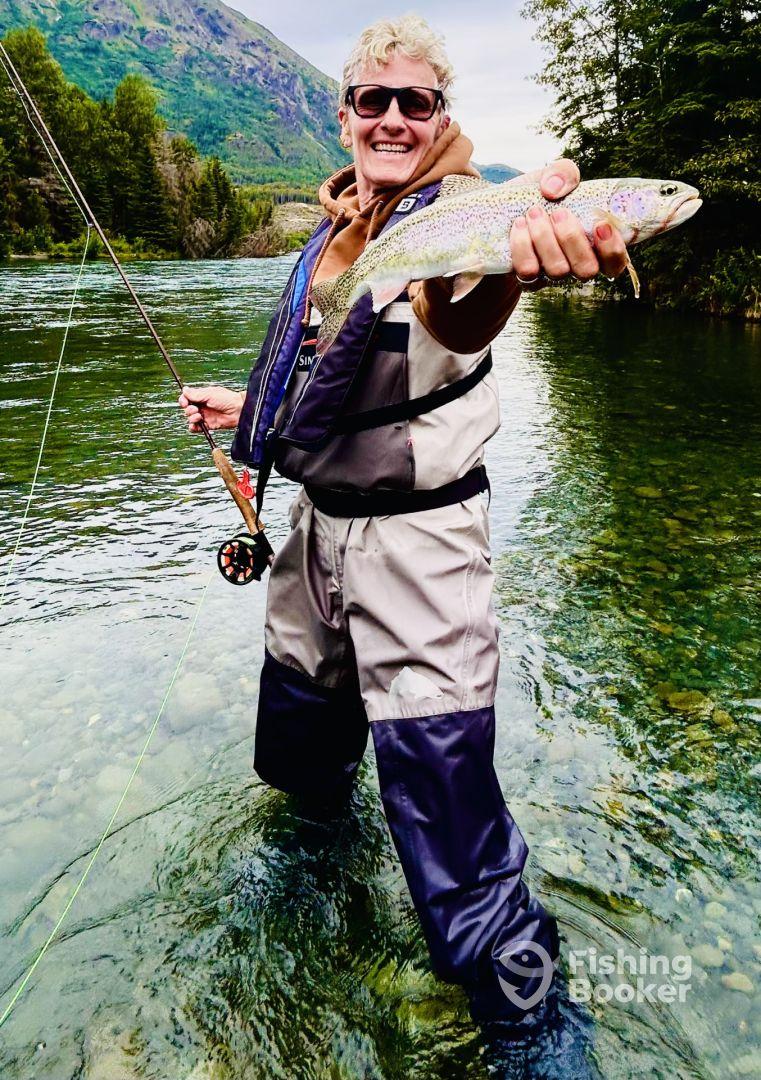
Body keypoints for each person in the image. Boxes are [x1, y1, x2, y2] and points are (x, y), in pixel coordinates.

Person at [179, 13, 626, 1060]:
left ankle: (527, 1016)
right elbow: (313, 372)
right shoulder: (334, 227)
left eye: (411, 102)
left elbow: (459, 314)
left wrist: (518, 268)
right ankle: (310, 854)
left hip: (418, 547)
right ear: (344, 115)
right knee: (297, 731)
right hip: (313, 532)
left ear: (439, 116)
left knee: (442, 788)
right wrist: (240, 417)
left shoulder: (471, 216)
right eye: (371, 100)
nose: (389, 118)